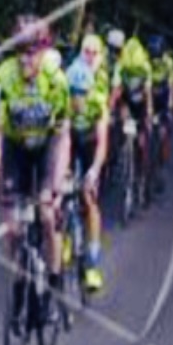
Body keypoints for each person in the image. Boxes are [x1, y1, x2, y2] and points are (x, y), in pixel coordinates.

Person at [0, 15, 74, 294]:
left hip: (47, 146)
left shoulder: (57, 80)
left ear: (45, 50)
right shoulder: (3, 76)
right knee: (13, 226)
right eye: (19, 50)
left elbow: (62, 135)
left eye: (32, 50)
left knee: (48, 214)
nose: (25, 58)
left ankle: (55, 277)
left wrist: (58, 182)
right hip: (16, 147)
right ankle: (20, 280)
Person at [65, 34, 113, 293]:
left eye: (82, 93)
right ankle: (64, 235)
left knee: (89, 198)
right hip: (70, 142)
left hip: (90, 144)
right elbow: (57, 138)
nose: (78, 99)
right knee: (60, 190)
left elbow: (103, 143)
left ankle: (92, 265)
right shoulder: (62, 99)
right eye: (74, 93)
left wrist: (94, 171)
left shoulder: (98, 103)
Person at [107, 28, 154, 192]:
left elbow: (148, 92)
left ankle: (142, 175)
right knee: (117, 125)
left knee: (142, 141)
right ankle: (119, 154)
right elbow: (116, 91)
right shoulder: (121, 65)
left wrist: (149, 113)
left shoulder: (146, 67)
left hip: (140, 104)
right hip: (127, 101)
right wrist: (109, 112)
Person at [146, 34, 173, 186]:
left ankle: (161, 164)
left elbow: (172, 84)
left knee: (165, 132)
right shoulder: (146, 62)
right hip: (150, 95)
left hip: (164, 97)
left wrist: (171, 105)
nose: (154, 59)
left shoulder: (168, 62)